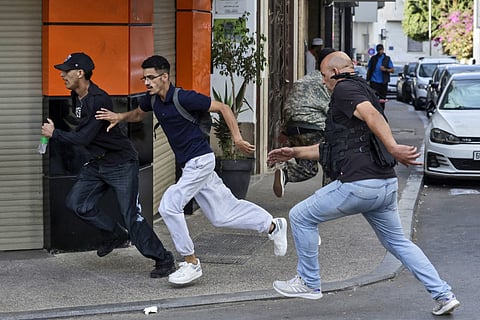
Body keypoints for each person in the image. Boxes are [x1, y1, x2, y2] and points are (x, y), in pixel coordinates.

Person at [267, 51, 460, 316]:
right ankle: (444, 294)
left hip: (359, 185)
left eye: (324, 76)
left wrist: (392, 147)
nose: (323, 82)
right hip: (384, 186)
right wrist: (295, 152)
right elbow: (332, 148)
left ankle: (309, 283)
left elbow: (372, 116)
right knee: (399, 243)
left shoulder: (344, 90)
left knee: (300, 216)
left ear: (335, 73)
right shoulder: (363, 89)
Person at [95, 55, 287, 285]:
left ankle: (191, 262)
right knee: (223, 215)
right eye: (143, 77)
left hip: (201, 161)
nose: (146, 82)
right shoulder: (153, 100)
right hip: (191, 166)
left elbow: (224, 108)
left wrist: (237, 138)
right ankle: (273, 225)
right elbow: (138, 113)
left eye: (151, 77)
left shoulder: (185, 97)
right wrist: (120, 116)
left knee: (168, 206)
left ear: (164, 77)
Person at [41, 52, 175, 279]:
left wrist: (55, 134)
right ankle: (114, 234)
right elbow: (84, 132)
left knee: (131, 216)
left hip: (121, 163)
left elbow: (83, 137)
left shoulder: (98, 99)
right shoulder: (76, 96)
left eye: (66, 70)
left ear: (80, 73)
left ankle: (163, 259)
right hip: (98, 163)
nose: (62, 74)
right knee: (77, 203)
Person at [273, 48, 335, 198]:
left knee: (308, 168)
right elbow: (333, 110)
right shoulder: (327, 81)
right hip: (314, 128)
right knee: (331, 159)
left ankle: (285, 173)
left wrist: (284, 131)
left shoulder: (302, 80)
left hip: (294, 128)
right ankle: (329, 198)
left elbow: (289, 106)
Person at [366, 43, 394, 109]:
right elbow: (369, 68)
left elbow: (392, 70)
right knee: (374, 98)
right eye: (378, 50)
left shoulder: (387, 59)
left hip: (383, 82)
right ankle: (375, 110)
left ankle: (381, 111)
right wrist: (368, 79)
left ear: (383, 50)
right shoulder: (373, 58)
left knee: (382, 99)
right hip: (374, 81)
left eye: (381, 50)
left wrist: (385, 69)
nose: (380, 52)